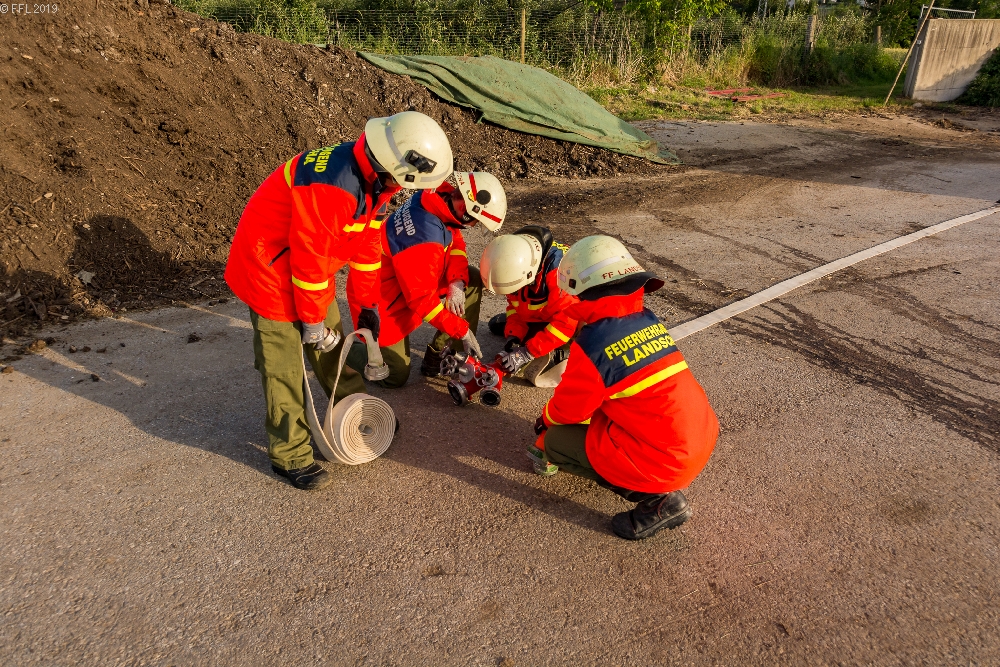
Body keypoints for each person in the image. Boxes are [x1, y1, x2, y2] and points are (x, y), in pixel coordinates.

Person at [225, 111, 453, 490]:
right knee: (284, 367)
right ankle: (290, 454)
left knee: (333, 349)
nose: (407, 189)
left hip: (309, 270)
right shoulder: (333, 186)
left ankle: (358, 414)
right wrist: (312, 323)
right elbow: (309, 260)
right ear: (396, 166)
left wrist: (366, 308)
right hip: (269, 271)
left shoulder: (375, 180)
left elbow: (367, 247)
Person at [530, 235, 719, 540]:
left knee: (556, 441)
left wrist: (546, 419)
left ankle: (658, 501)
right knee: (606, 411)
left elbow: (569, 408)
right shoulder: (646, 320)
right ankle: (643, 478)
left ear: (580, 288)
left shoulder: (595, 345)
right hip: (697, 437)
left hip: (666, 461)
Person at [350, 172, 507, 386]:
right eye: (476, 221)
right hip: (381, 300)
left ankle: (441, 355)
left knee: (469, 278)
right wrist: (461, 330)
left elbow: (456, 241)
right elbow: (421, 300)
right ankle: (340, 349)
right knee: (394, 374)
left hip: (408, 279)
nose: (473, 226)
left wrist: (456, 282)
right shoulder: (424, 239)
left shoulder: (439, 197)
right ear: (465, 211)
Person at [479, 226, 579, 387]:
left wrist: (528, 352)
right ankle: (549, 343)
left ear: (530, 274)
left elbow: (565, 323)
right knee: (501, 327)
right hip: (548, 313)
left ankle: (568, 350)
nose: (511, 294)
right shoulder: (516, 264)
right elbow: (515, 308)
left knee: (581, 338)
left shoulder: (560, 271)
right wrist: (514, 337)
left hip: (575, 318)